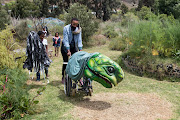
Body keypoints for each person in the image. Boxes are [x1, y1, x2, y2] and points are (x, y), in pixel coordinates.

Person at [61, 18, 83, 83]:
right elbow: (65, 40)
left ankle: (78, 77)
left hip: (74, 47)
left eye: (76, 24)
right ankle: (64, 76)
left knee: (76, 62)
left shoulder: (78, 29)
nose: (75, 26)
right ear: (71, 23)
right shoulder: (66, 28)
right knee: (66, 62)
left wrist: (80, 49)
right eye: (74, 24)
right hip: (65, 46)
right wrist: (68, 50)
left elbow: (79, 40)